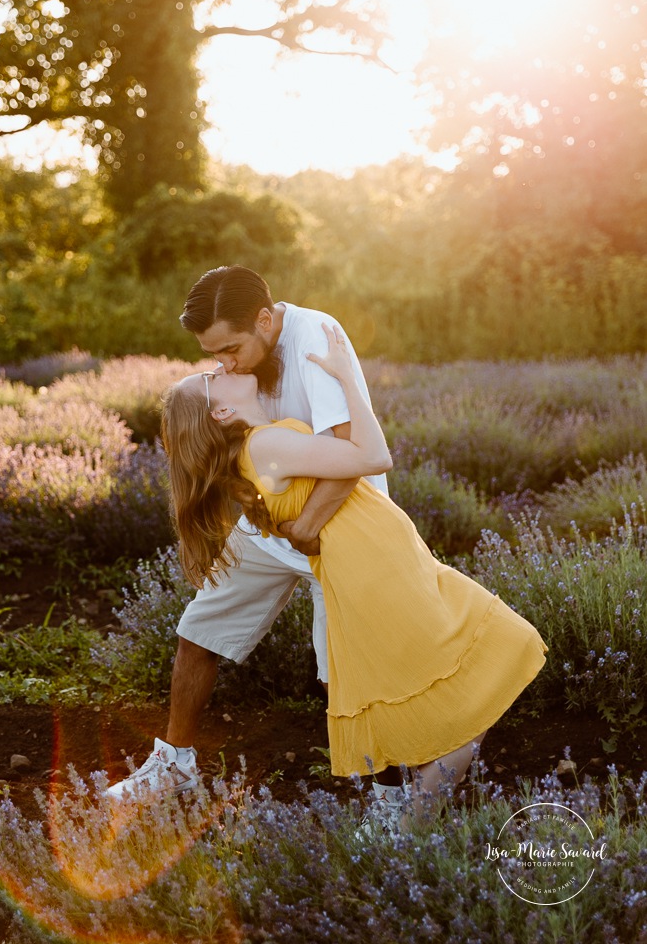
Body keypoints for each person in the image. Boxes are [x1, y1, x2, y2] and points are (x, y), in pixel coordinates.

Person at [154, 323, 547, 817]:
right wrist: (347, 381)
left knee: (466, 659)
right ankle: (413, 823)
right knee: (502, 645)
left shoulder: (259, 447)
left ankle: (409, 819)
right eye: (211, 376)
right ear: (222, 410)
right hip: (377, 566)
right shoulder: (266, 446)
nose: (220, 367)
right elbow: (374, 456)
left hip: (381, 560)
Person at [108, 266, 397, 806]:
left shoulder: (315, 338)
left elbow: (353, 449)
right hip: (272, 519)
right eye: (214, 357)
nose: (227, 364)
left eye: (232, 349)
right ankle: (174, 766)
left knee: (344, 671)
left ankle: (387, 797)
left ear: (265, 320)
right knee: (200, 628)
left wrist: (309, 525)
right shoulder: (241, 363)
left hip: (338, 524)